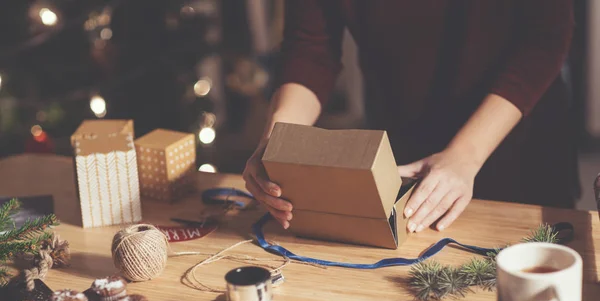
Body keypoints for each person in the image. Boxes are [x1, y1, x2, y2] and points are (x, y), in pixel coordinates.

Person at [243, 1, 579, 233]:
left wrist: (465, 156)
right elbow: (311, 49)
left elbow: (544, 39)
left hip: (519, 146)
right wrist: (278, 141)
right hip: (405, 152)